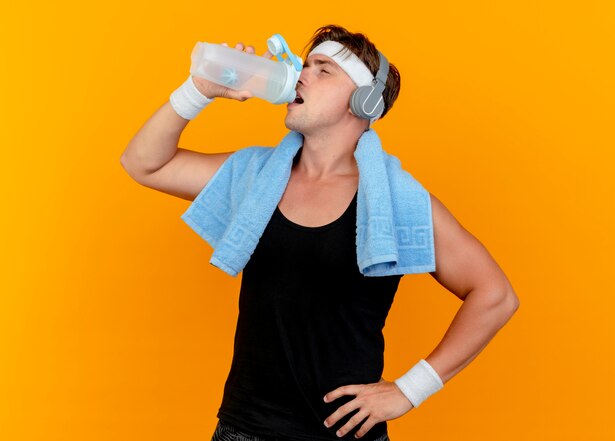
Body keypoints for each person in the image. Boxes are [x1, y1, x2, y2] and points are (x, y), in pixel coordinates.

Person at [120, 24, 520, 441]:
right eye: (305, 65)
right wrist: (198, 88)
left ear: (364, 100)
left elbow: (496, 296)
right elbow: (144, 163)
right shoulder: (255, 175)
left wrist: (410, 389)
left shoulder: (398, 200)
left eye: (323, 69)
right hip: (244, 428)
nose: (300, 75)